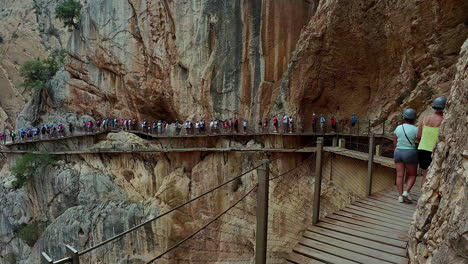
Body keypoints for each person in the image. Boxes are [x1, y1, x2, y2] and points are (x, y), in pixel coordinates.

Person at [416, 97, 446, 185]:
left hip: (422, 149)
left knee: (425, 174)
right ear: (444, 107)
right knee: (432, 176)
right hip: (433, 151)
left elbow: (418, 136)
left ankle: (422, 195)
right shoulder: (443, 121)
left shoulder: (425, 119)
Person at [393, 108, 418, 203]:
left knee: (399, 175)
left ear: (404, 117)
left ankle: (400, 196)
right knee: (412, 175)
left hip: (398, 152)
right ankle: (406, 192)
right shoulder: (416, 129)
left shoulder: (398, 128)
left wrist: (397, 150)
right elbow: (419, 140)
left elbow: (394, 141)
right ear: (414, 119)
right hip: (410, 152)